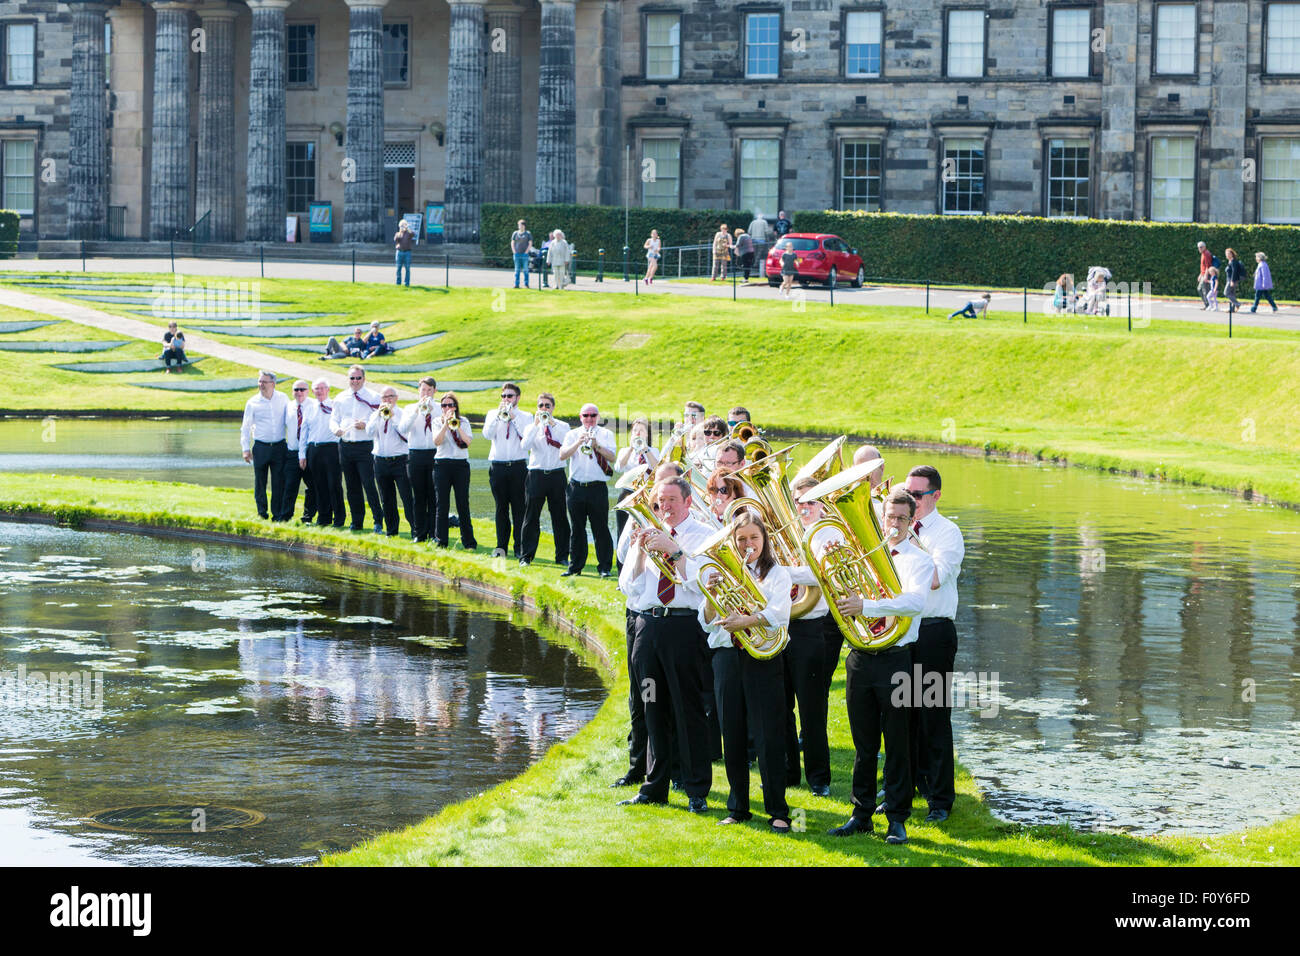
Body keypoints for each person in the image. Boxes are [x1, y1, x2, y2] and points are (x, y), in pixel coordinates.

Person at [827, 487, 935, 845]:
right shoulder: (863, 555)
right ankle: (860, 813)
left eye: (902, 518)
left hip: (896, 659)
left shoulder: (918, 560)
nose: (894, 524)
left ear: (912, 520)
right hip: (860, 656)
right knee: (863, 743)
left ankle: (897, 818)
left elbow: (915, 602)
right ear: (881, 516)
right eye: (889, 516)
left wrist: (867, 607)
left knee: (898, 741)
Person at [617, 476, 715, 814]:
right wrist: (641, 554)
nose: (666, 507)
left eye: (672, 500)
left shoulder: (703, 535)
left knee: (688, 710)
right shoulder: (647, 532)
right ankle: (653, 787)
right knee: (651, 706)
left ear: (688, 502)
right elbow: (628, 586)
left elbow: (701, 582)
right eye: (661, 501)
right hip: (647, 626)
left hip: (683, 627)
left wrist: (673, 551)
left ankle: (696, 789)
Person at [699, 510, 793, 831]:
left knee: (768, 735)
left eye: (753, 538)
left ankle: (778, 810)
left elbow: (780, 613)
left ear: (764, 540)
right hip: (727, 658)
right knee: (732, 734)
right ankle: (738, 807)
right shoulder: (721, 572)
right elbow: (706, 619)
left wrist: (747, 621)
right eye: (740, 540)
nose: (747, 544)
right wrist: (711, 594)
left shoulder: (776, 574)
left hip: (763, 658)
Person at [903, 465, 965, 825]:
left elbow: (937, 579)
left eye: (917, 495)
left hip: (933, 631)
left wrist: (908, 542)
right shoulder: (895, 529)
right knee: (900, 716)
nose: (910, 501)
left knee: (933, 716)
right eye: (906, 493)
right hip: (902, 629)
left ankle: (940, 799)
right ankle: (903, 787)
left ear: (935, 496)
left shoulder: (947, 533)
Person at [787, 474, 844, 797]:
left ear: (822, 505)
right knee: (779, 705)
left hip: (811, 626)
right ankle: (787, 772)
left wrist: (782, 572)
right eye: (799, 502)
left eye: (810, 502)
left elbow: (820, 573)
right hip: (781, 624)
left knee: (812, 706)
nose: (804, 507)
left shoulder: (829, 533)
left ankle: (819, 777)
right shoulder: (785, 531)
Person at [559, 404, 616, 578]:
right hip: (576, 487)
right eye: (586, 415)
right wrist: (579, 442)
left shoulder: (606, 434)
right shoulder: (572, 434)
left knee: (601, 529)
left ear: (598, 417)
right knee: (577, 529)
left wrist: (597, 445)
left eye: (593, 415)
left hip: (597, 488)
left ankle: (604, 567)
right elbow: (562, 455)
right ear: (580, 416)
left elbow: (613, 457)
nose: (589, 419)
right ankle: (575, 567)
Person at [329, 364, 385, 533]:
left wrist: (366, 425)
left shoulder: (374, 397)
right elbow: (333, 419)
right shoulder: (340, 398)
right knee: (352, 486)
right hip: (345, 446)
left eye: (358, 378)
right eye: (352, 378)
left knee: (368, 484)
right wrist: (336, 429)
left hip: (365, 447)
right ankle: (357, 521)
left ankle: (378, 521)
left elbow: (381, 421)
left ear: (364, 379)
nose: (355, 381)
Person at [519, 392, 571, 567]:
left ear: (553, 408)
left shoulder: (563, 426)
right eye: (540, 406)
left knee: (560, 517)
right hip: (536, 474)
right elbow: (524, 447)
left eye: (547, 406)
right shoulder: (530, 427)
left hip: (557, 474)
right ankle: (526, 556)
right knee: (531, 516)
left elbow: (567, 447)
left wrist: (553, 425)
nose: (544, 409)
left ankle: (562, 556)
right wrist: (535, 426)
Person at [482, 381, 532, 558]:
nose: (506, 399)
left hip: (518, 467)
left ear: (517, 397)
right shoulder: (492, 414)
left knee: (519, 509)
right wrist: (498, 416)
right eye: (503, 396)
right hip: (498, 467)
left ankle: (519, 548)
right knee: (500, 509)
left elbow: (527, 439)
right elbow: (487, 435)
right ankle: (501, 548)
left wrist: (513, 417)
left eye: (509, 396)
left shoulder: (526, 416)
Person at [239, 371, 290, 521]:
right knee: (260, 481)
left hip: (280, 446)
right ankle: (262, 512)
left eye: (264, 382)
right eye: (260, 382)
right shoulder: (252, 402)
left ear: (273, 384)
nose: (261, 385)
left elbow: (291, 420)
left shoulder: (283, 398)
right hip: (261, 447)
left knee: (278, 482)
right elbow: (246, 427)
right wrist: (245, 449)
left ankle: (277, 514)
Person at [367, 385, 416, 537]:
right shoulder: (376, 415)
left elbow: (404, 432)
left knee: (407, 497)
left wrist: (392, 416)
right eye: (384, 397)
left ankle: (416, 530)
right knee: (386, 499)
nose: (387, 400)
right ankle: (392, 531)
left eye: (390, 397)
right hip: (380, 461)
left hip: (400, 460)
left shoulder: (402, 414)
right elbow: (369, 432)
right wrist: (377, 415)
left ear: (396, 398)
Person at [432, 390, 477, 549]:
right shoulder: (437, 421)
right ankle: (441, 541)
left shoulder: (463, 421)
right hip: (442, 464)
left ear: (456, 406)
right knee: (442, 504)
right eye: (444, 405)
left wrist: (456, 426)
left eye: (450, 405)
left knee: (463, 504)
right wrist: (445, 424)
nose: (447, 408)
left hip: (460, 465)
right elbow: (437, 441)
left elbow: (468, 441)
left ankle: (469, 542)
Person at [399, 376, 440, 543]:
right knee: (418, 496)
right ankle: (419, 533)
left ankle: (433, 533)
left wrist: (432, 410)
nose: (426, 393)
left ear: (434, 391)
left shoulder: (439, 408)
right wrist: (417, 411)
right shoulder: (409, 408)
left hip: (435, 454)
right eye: (423, 390)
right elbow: (403, 429)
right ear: (419, 390)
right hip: (415, 454)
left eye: (429, 390)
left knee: (433, 495)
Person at [614, 417, 659, 546]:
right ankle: (621, 564)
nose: (637, 434)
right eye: (635, 431)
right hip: (627, 493)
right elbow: (618, 468)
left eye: (641, 431)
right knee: (622, 530)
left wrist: (646, 450)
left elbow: (656, 469)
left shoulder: (653, 451)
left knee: (644, 529)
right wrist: (630, 449)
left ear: (647, 434)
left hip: (646, 495)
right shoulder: (624, 451)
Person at [306, 378, 345, 528]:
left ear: (328, 390)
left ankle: (339, 518)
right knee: (319, 484)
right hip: (314, 448)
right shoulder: (310, 407)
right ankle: (324, 517)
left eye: (322, 388)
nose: (319, 391)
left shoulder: (335, 406)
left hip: (332, 449)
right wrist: (303, 454)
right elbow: (305, 431)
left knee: (334, 484)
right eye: (316, 388)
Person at [282, 379, 318, 523]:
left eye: (302, 389)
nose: (299, 392)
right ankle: (285, 516)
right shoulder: (288, 407)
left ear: (308, 391)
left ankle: (308, 517)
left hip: (309, 453)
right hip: (292, 452)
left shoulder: (315, 406)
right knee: (290, 485)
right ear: (292, 392)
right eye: (296, 390)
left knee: (312, 486)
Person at [510, 219, 533, 288]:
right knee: (517, 270)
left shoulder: (528, 233)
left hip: (525, 255)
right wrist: (514, 251)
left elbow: (530, 243)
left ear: (524, 226)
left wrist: (526, 252)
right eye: (519, 225)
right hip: (517, 254)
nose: (520, 227)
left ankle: (526, 284)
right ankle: (516, 284)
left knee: (526, 270)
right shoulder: (515, 233)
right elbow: (512, 242)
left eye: (522, 225)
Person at [394, 220, 415, 287]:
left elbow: (413, 234)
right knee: (398, 268)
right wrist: (400, 233)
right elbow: (395, 239)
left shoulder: (409, 233)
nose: (403, 227)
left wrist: (407, 228)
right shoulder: (398, 233)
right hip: (399, 252)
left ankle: (407, 283)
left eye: (404, 225)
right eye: (402, 225)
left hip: (407, 252)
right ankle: (398, 283)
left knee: (407, 268)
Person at [1196, 241, 1212, 308]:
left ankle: (1208, 305)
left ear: (1204, 247)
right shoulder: (1203, 254)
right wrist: (1200, 274)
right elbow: (1203, 266)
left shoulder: (1206, 254)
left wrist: (1205, 276)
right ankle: (1207, 304)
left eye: (1201, 247)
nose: (1199, 249)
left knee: (1205, 290)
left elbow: (1208, 266)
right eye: (1199, 247)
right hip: (1203, 274)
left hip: (1206, 274)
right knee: (1200, 289)